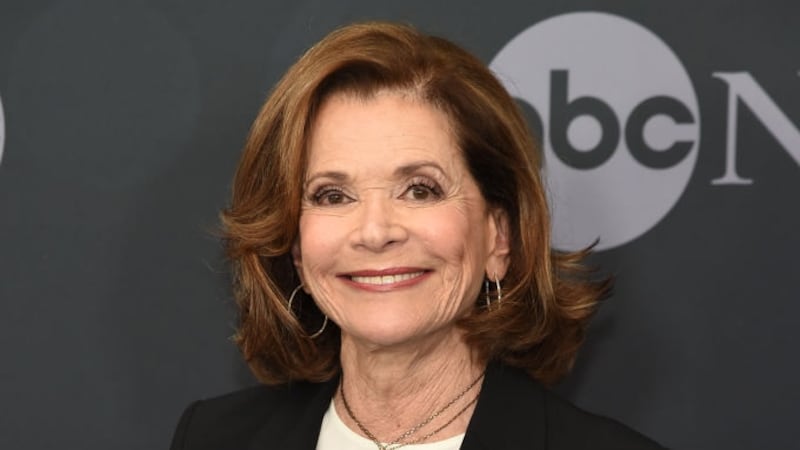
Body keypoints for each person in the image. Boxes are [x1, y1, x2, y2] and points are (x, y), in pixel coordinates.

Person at [170, 22, 664, 450]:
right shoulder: (213, 438)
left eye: (420, 190)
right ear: (295, 248)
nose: (376, 231)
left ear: (499, 237)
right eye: (331, 196)